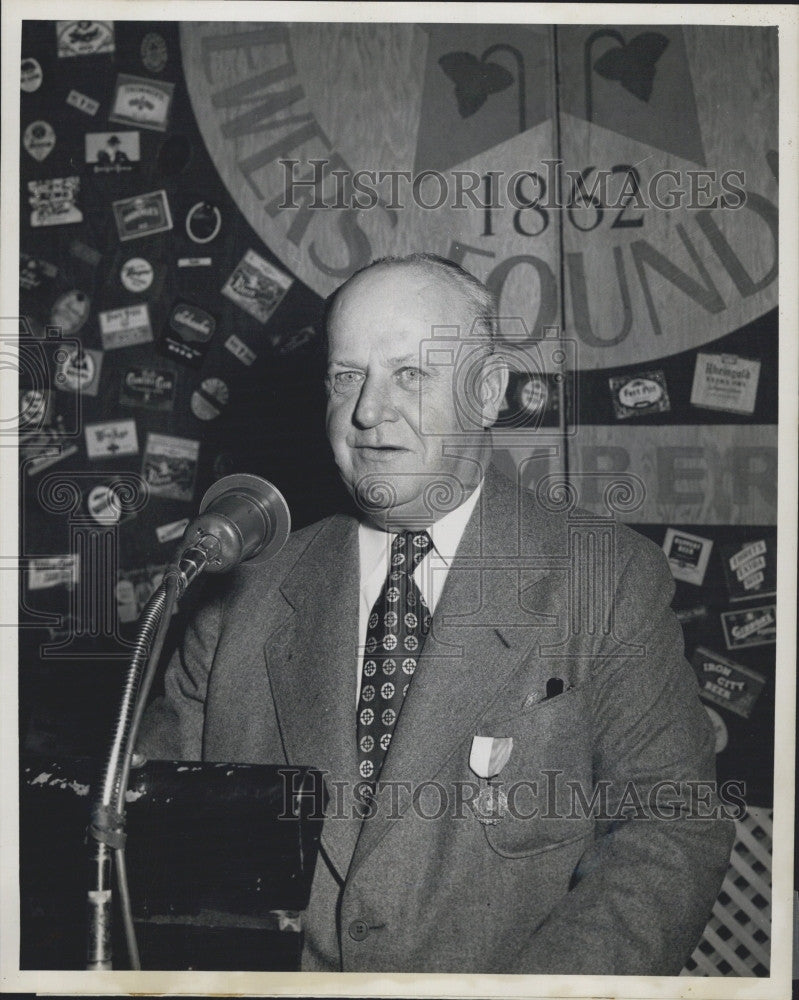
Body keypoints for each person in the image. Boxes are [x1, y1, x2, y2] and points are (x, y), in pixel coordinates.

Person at [138, 253, 735, 975]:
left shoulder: (604, 581)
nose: (366, 412)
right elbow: (149, 834)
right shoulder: (244, 593)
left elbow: (666, 834)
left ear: (487, 393)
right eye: (346, 376)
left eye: (409, 374)